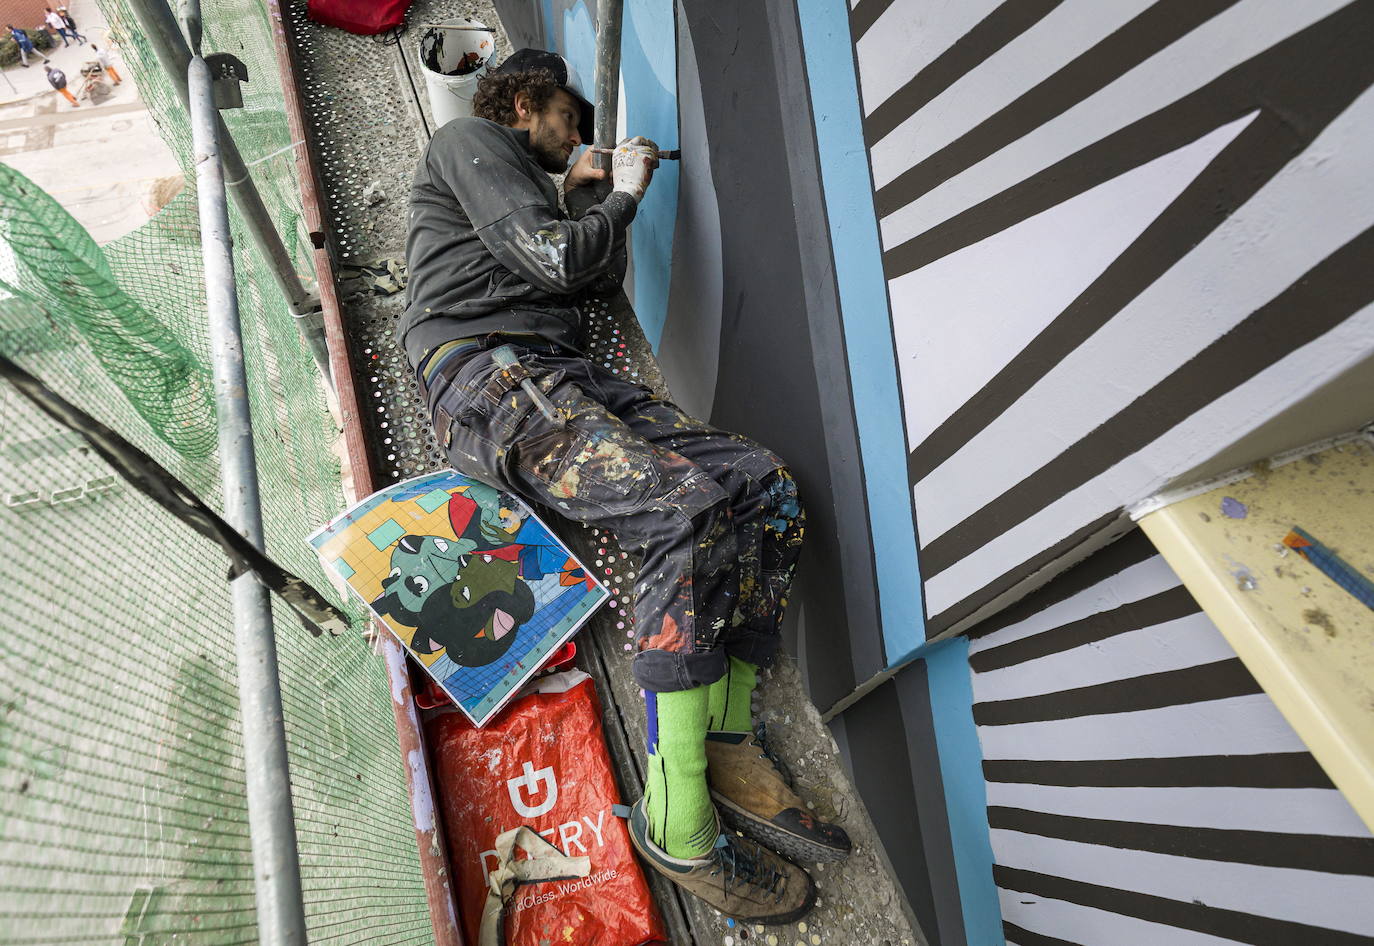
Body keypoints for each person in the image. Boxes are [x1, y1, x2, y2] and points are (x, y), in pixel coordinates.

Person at [403, 49, 850, 924]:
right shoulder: (469, 137)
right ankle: (677, 818)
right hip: (492, 378)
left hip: (553, 374)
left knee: (763, 489)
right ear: (525, 101)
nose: (579, 135)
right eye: (571, 120)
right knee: (678, 514)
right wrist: (623, 192)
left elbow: (577, 267)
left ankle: (722, 738)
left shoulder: (532, 187)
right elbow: (557, 260)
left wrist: (579, 190)